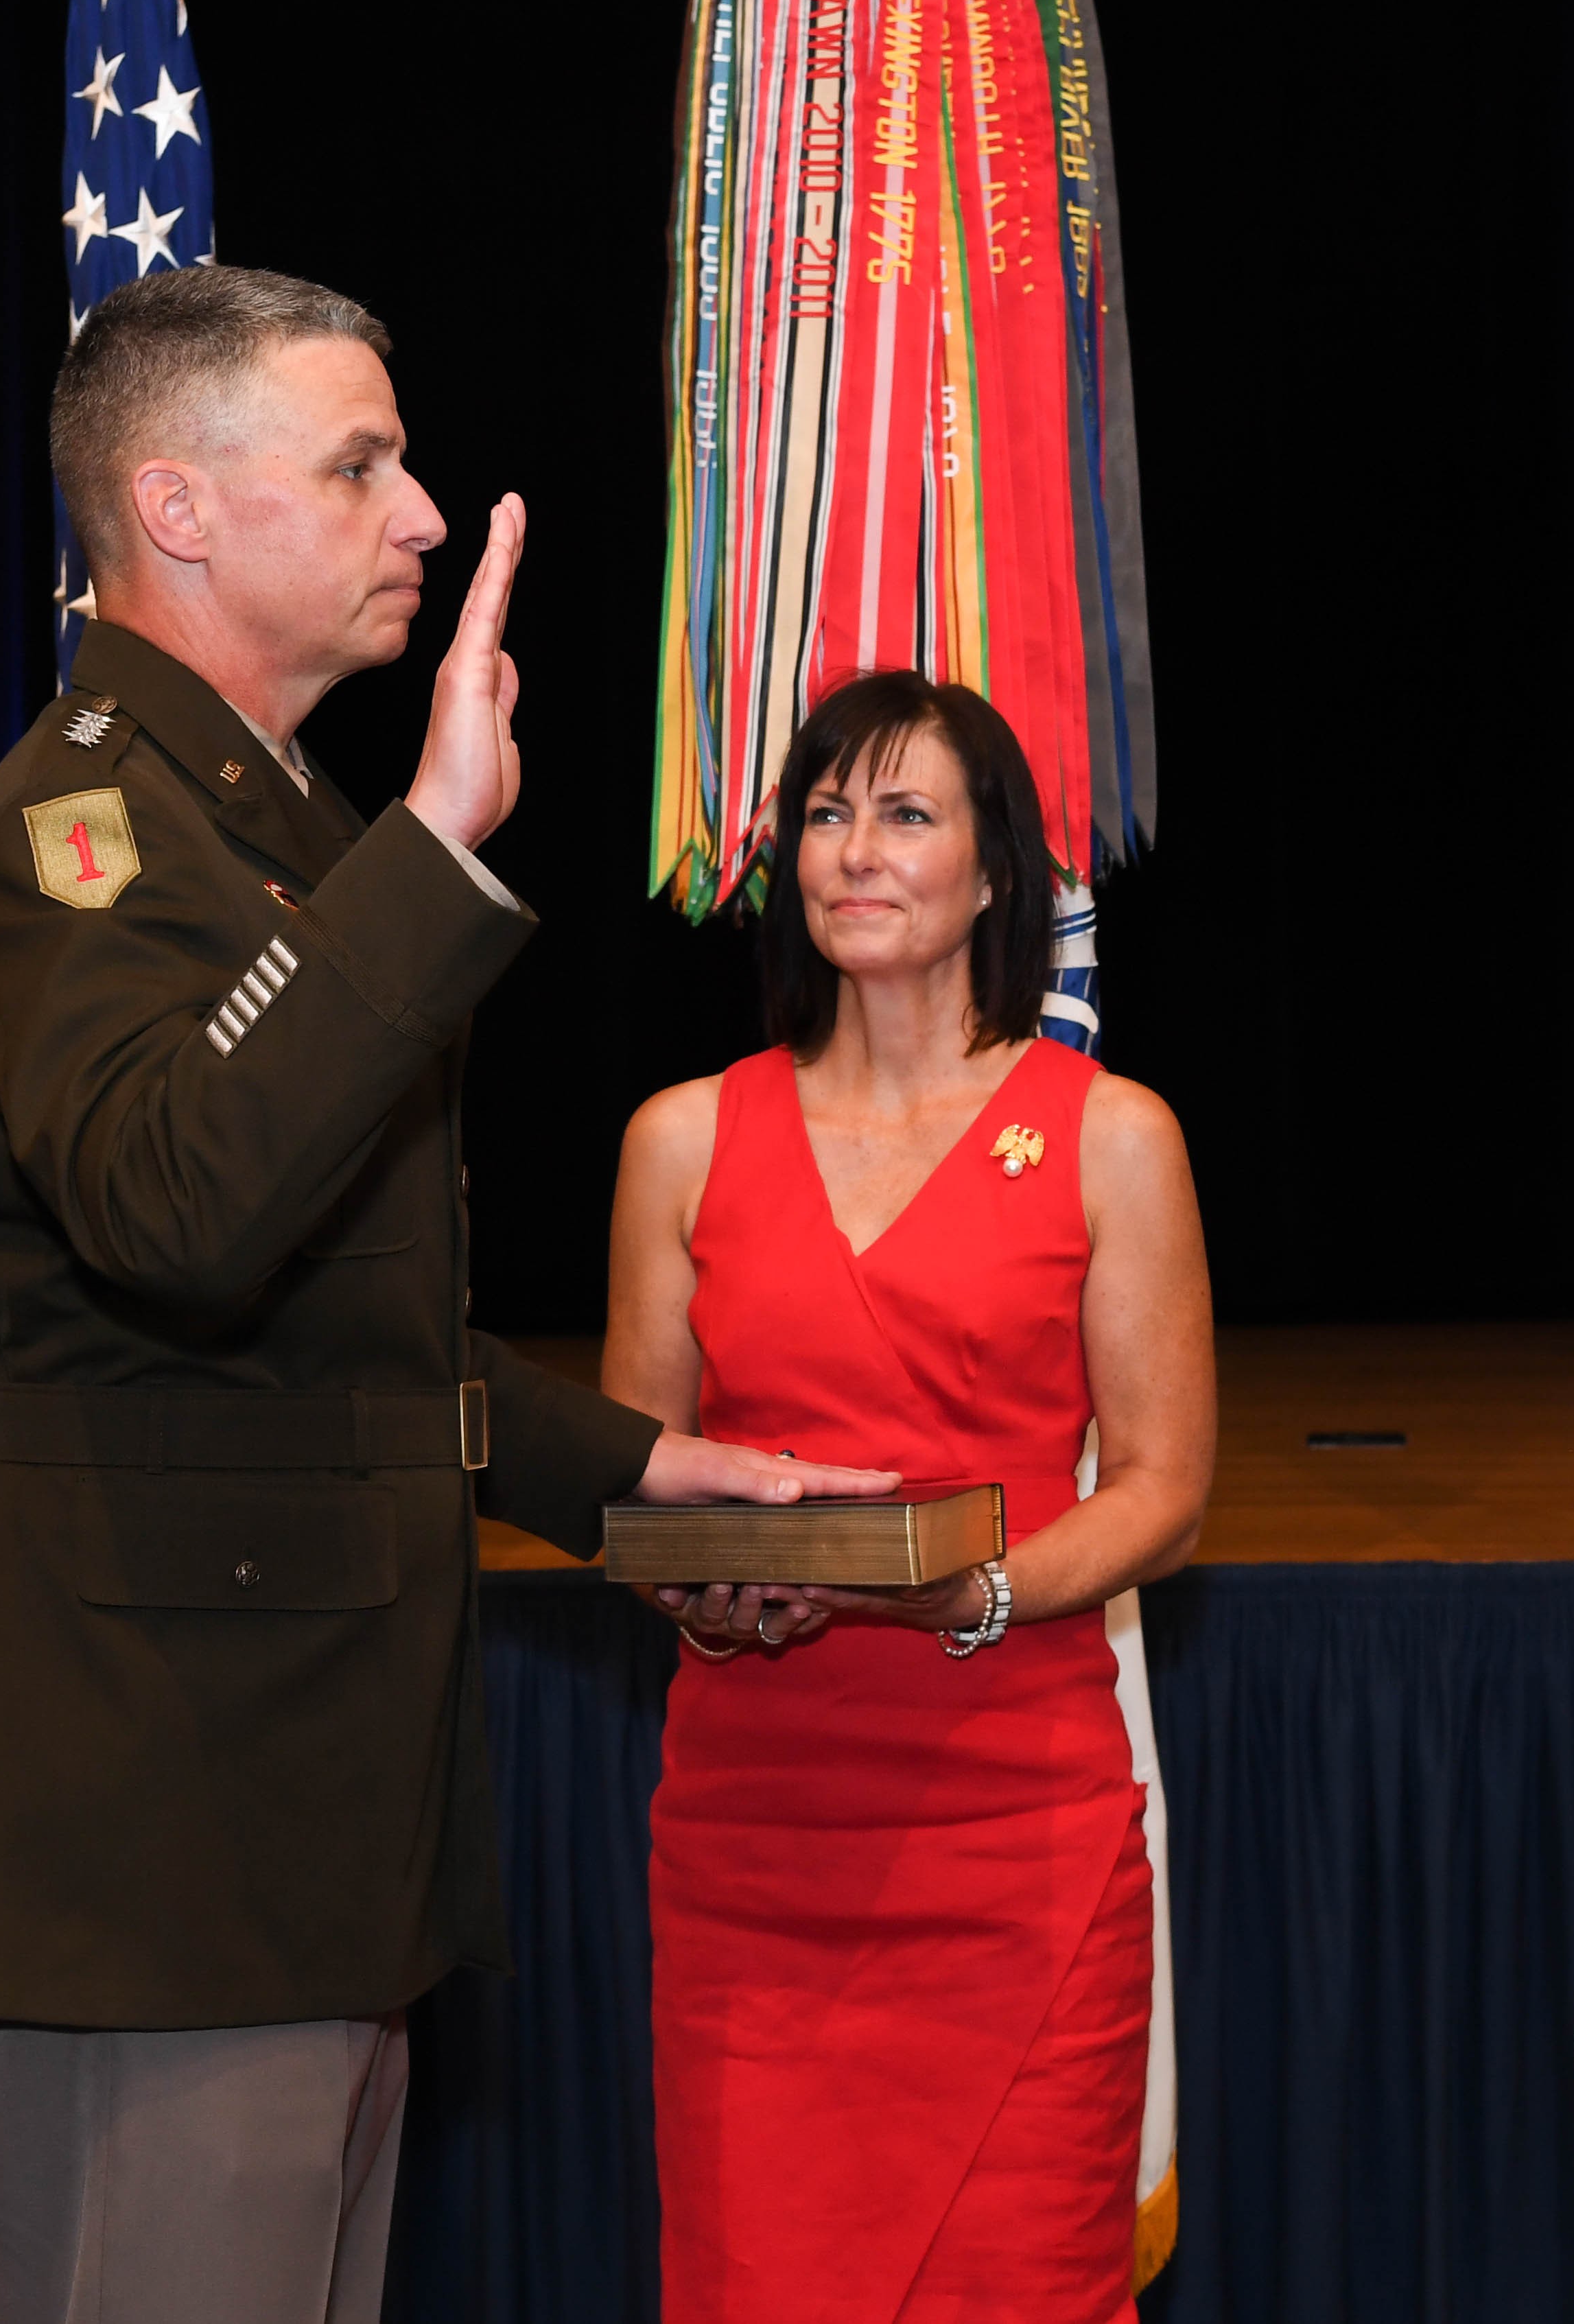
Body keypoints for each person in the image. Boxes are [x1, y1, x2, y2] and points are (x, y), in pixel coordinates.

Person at [0, 264, 892, 2324]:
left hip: (295, 1825)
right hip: (166, 1841)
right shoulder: (85, 834)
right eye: (358, 466)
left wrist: (642, 1475)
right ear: (177, 508)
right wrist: (428, 846)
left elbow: (335, 1355)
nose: (422, 513)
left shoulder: (251, 826)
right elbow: (176, 1210)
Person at [601, 669, 1216, 2323]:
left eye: (905, 813)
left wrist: (985, 1592)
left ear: (997, 869)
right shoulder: (678, 1138)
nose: (852, 852)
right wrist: (694, 1594)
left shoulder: (1113, 1138)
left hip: (1017, 1847)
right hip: (753, 1852)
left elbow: (1165, 1486)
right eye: (822, 812)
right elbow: (632, 1484)